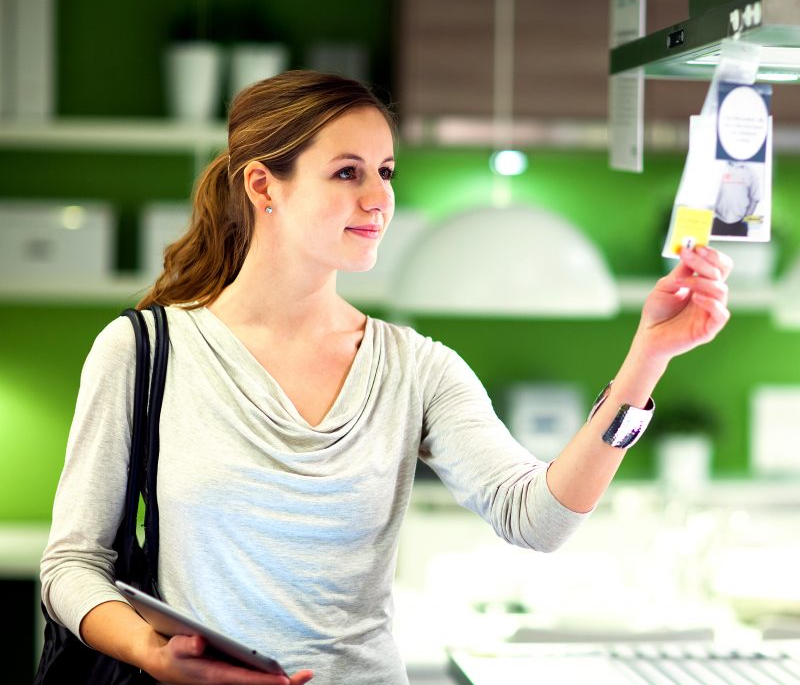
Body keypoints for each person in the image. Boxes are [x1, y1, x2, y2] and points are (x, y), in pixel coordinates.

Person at [39, 70, 733, 685]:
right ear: (262, 185)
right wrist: (151, 652)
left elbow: (539, 519)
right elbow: (71, 564)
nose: (379, 198)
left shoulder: (415, 367)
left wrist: (648, 358)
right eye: (348, 172)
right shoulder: (143, 351)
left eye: (388, 171)